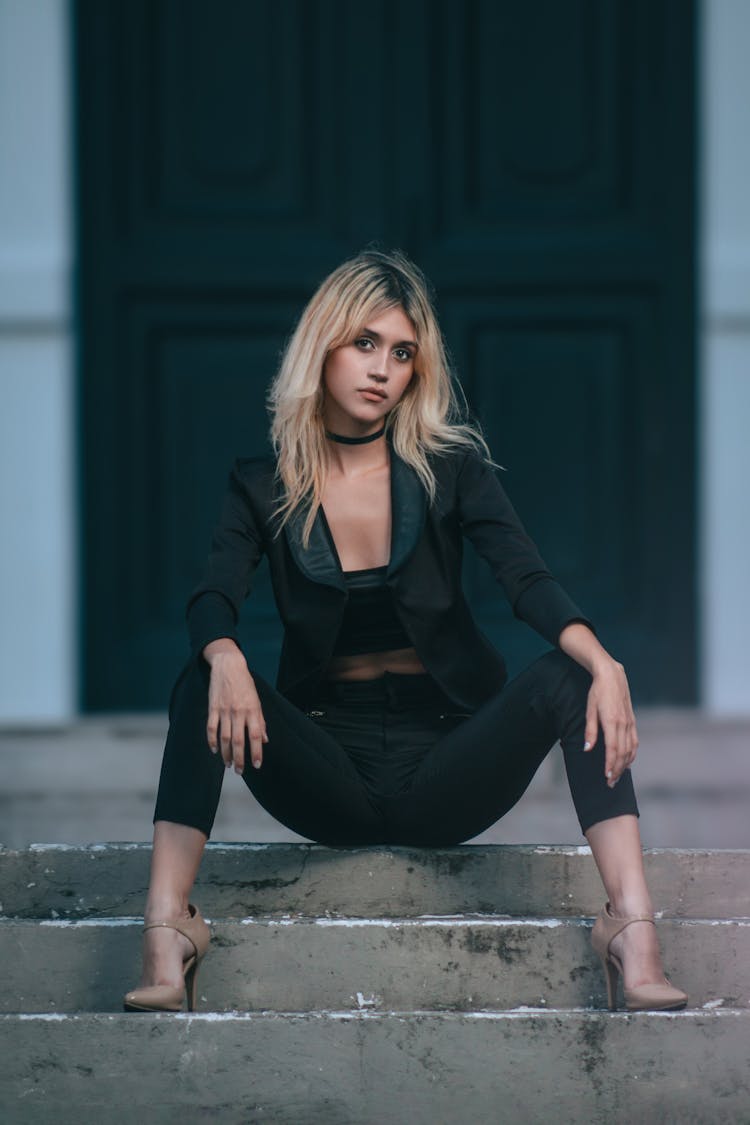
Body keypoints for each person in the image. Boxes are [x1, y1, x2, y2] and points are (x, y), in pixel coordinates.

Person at [124, 249, 687, 1015]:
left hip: (446, 768)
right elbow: (213, 594)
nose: (381, 368)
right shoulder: (261, 483)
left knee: (576, 673)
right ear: (321, 344)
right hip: (328, 772)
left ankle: (632, 928)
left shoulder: (448, 470)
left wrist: (606, 663)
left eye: (401, 353)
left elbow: (525, 578)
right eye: (363, 343)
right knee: (203, 675)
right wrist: (223, 653)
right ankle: (169, 930)